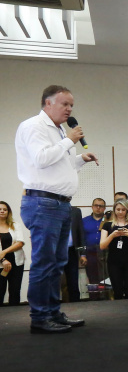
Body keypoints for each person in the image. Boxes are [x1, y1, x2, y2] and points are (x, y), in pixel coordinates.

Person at [16, 85, 98, 333]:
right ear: (47, 103)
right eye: (65, 104)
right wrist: (68, 141)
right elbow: (41, 159)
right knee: (44, 262)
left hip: (60, 204)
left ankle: (53, 312)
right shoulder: (34, 126)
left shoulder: (59, 131)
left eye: (71, 105)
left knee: (58, 262)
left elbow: (59, 164)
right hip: (43, 203)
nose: (70, 109)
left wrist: (79, 159)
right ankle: (40, 318)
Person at [99, 199, 128, 300]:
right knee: (117, 290)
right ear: (114, 210)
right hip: (114, 262)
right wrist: (112, 235)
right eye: (118, 209)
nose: (120, 212)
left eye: (123, 209)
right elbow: (102, 246)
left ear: (127, 210)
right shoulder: (107, 225)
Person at [0, 201, 26, 306]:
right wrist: (3, 259)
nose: (2, 211)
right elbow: (16, 244)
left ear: (8, 212)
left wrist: (4, 252)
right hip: (1, 264)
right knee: (0, 291)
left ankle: (15, 319)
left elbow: (20, 243)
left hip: (17, 263)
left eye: (5, 209)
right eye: (0, 209)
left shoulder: (15, 225)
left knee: (15, 291)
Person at [63, 204, 86, 302]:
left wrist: (83, 254)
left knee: (73, 281)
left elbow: (80, 231)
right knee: (57, 282)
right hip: (56, 252)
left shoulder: (76, 211)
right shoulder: (51, 210)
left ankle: (76, 305)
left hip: (72, 250)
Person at [82, 198, 106, 287]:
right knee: (92, 279)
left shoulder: (109, 221)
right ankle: (94, 300)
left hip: (105, 254)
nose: (98, 208)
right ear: (92, 207)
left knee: (106, 279)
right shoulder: (84, 221)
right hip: (90, 254)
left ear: (104, 208)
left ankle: (107, 300)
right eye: (96, 205)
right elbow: (81, 238)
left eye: (101, 206)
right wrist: (82, 255)